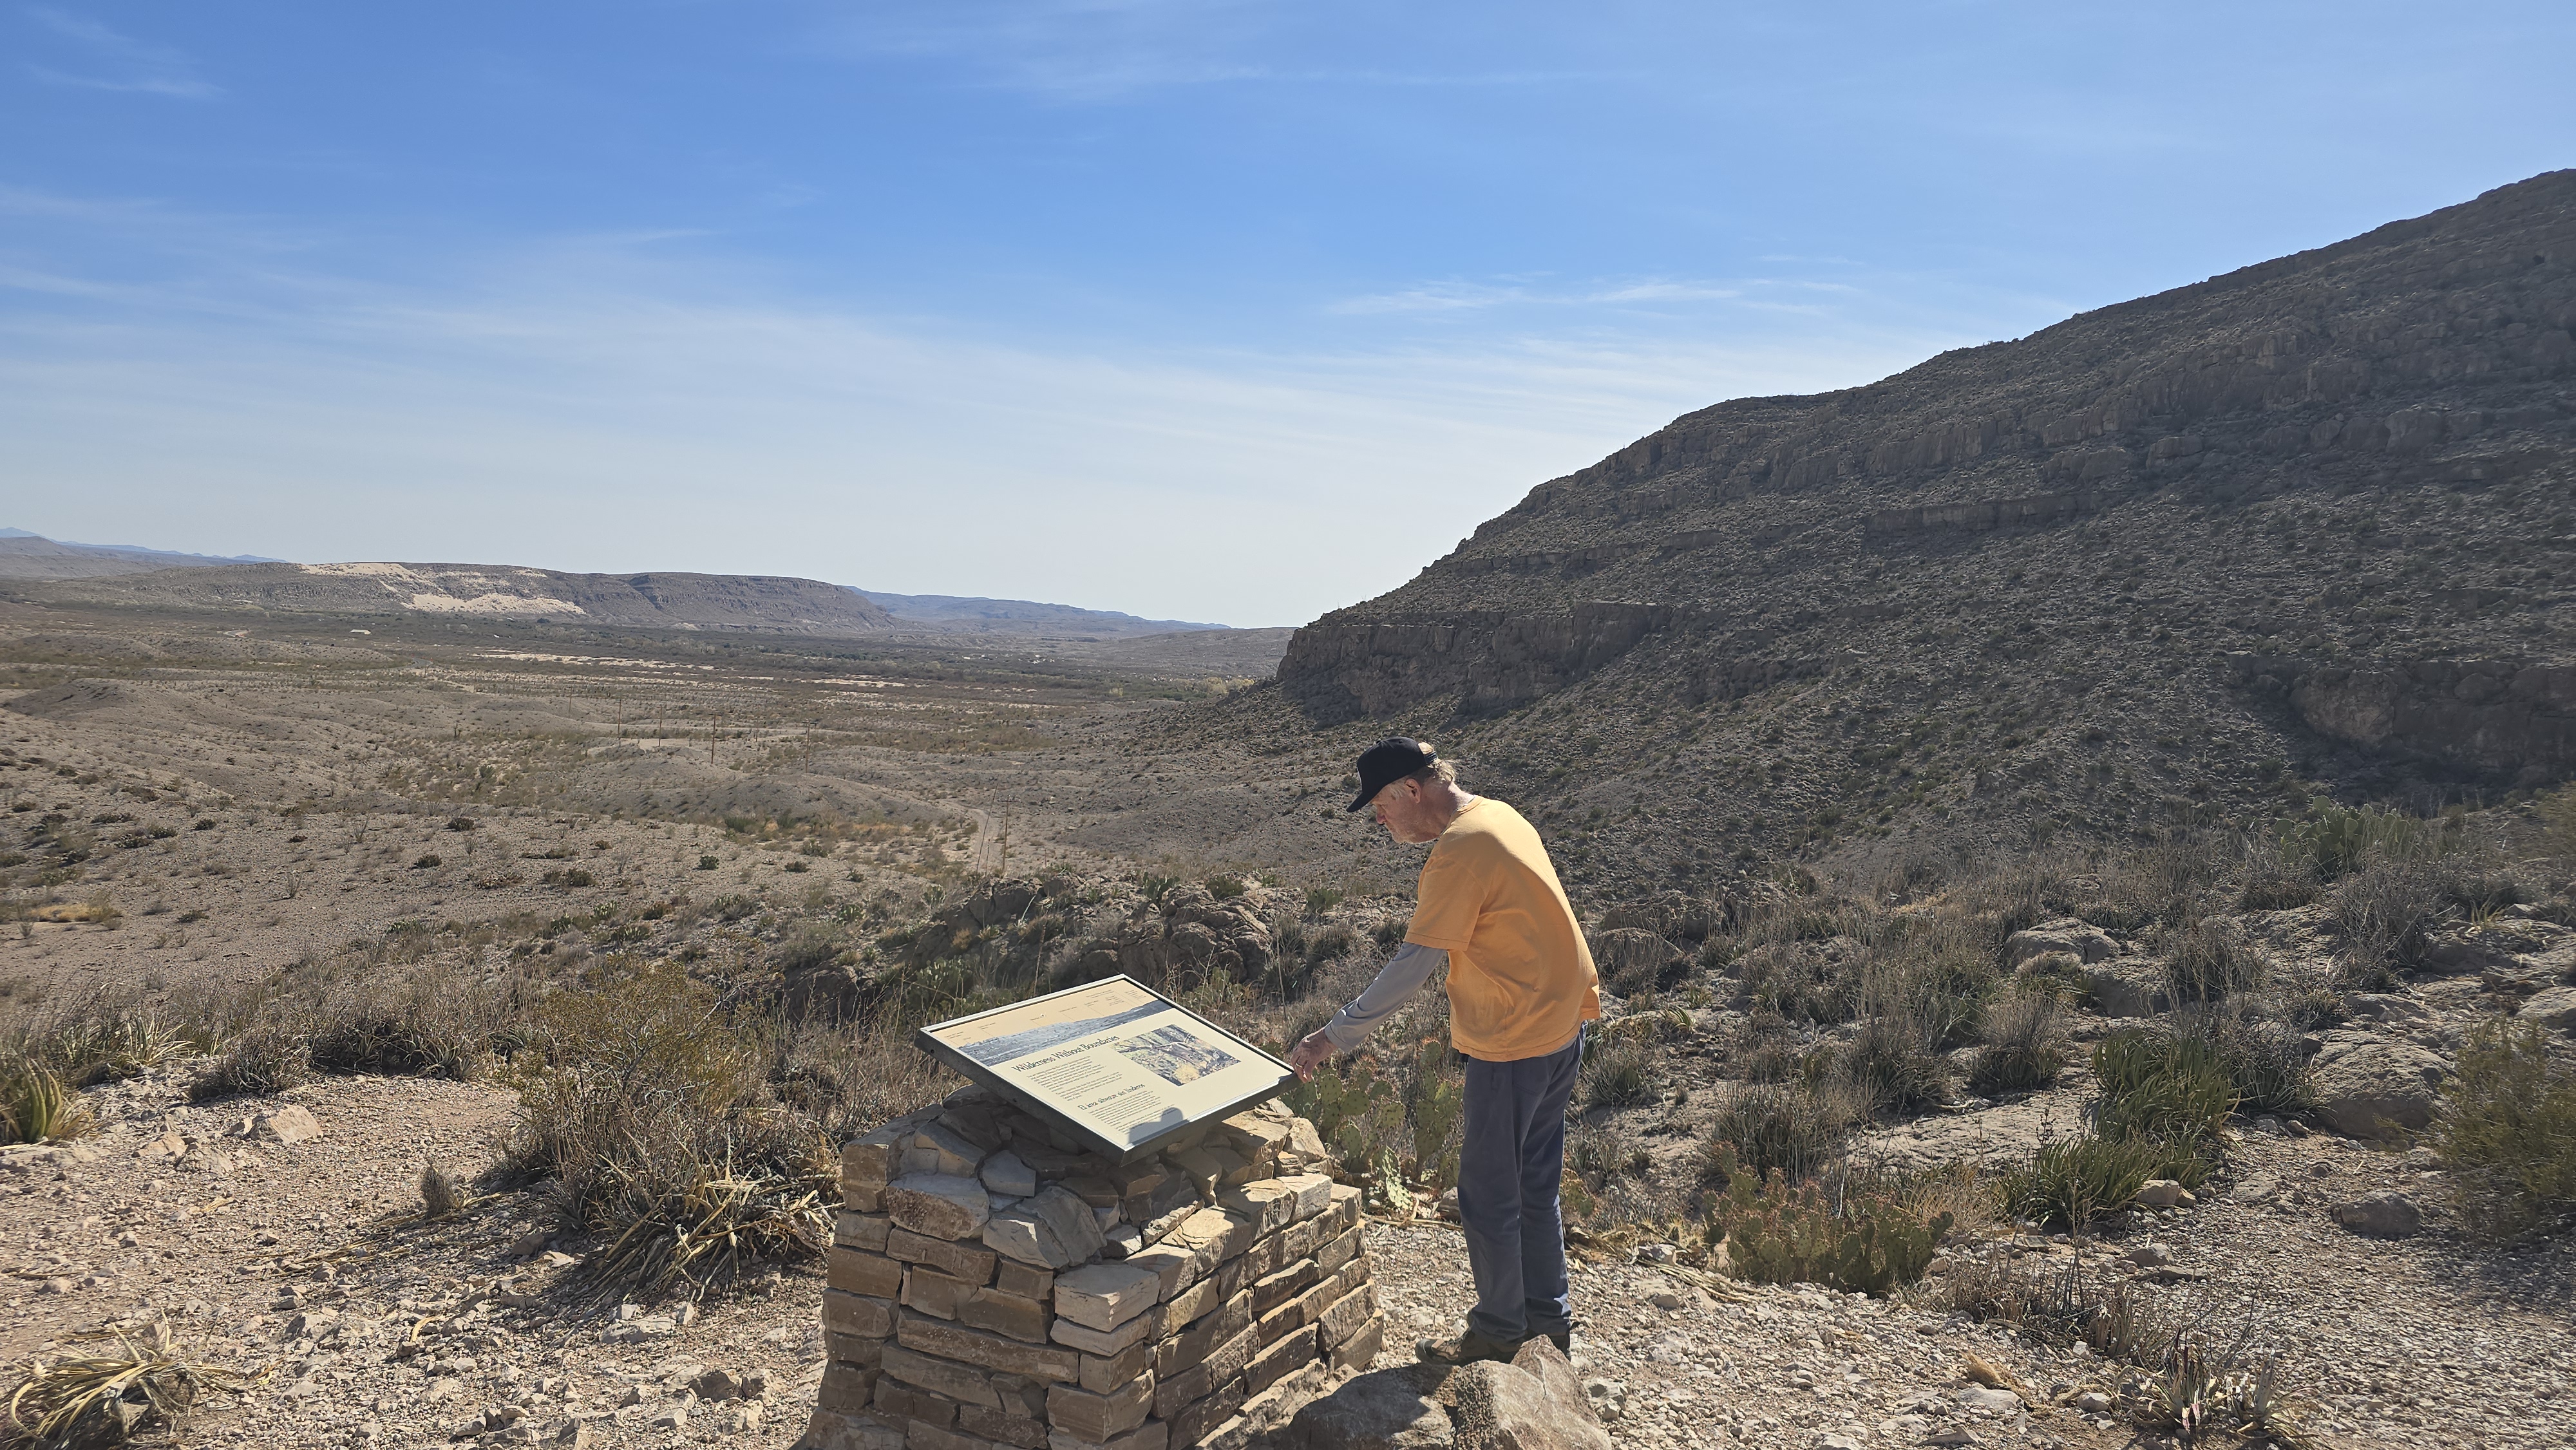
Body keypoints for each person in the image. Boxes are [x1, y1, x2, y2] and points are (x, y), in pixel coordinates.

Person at [1287, 737, 1601, 1366]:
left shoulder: (1458, 851)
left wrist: (1331, 1036)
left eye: (1380, 804)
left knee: (1487, 1193)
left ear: (1411, 789)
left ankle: (1498, 1332)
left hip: (1515, 1040)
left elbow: (1412, 967)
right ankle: (1549, 1323)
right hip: (1563, 1023)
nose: (1381, 820)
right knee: (1535, 1186)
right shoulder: (1497, 814)